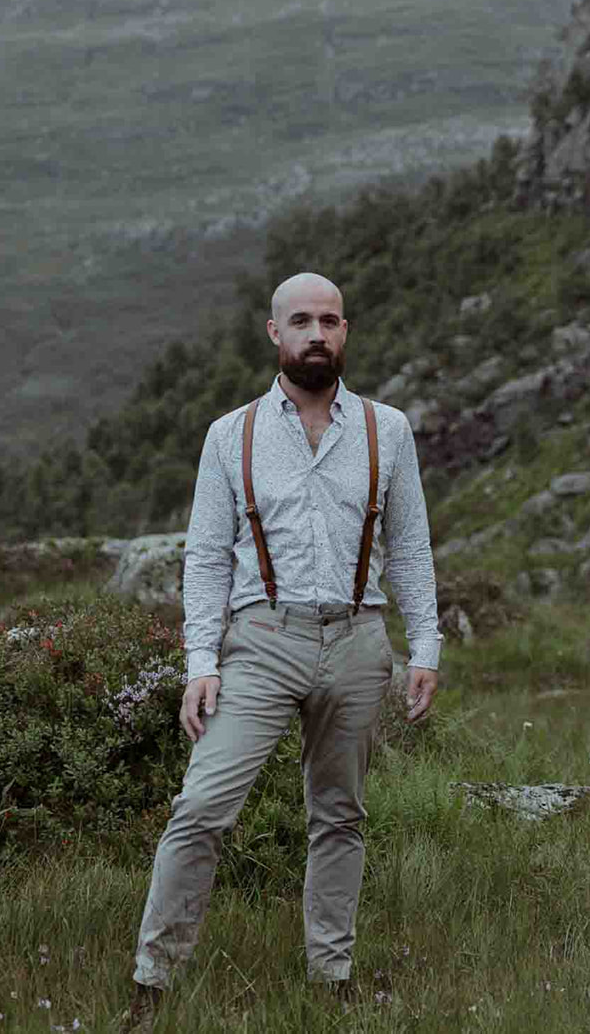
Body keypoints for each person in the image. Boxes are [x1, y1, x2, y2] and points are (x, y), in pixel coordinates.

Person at [120, 272, 442, 1031]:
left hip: (360, 639)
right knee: (200, 807)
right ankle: (152, 983)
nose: (317, 334)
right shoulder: (230, 434)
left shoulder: (385, 429)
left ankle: (331, 978)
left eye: (329, 320)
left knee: (340, 817)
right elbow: (203, 557)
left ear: (345, 331)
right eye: (301, 320)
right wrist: (202, 662)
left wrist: (423, 644)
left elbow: (410, 546)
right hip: (261, 638)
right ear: (275, 333)